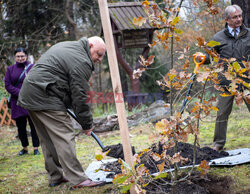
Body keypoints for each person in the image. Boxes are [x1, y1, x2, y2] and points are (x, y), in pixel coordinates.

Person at [17, 36, 106, 188]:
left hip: (30, 94)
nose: (99, 59)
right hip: (44, 95)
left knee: (47, 139)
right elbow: (80, 95)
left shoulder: (68, 46)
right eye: (98, 54)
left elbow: (68, 86)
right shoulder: (82, 60)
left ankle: (55, 176)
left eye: (102, 56)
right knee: (64, 135)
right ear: (90, 46)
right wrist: (87, 124)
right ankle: (78, 179)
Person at [196, 5, 250, 151]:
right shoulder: (218, 37)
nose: (239, 19)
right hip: (226, 82)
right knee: (222, 112)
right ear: (227, 19)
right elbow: (210, 57)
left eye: (240, 16)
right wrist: (202, 58)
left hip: (247, 81)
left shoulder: (249, 34)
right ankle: (218, 144)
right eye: (235, 17)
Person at [4, 48, 40, 156]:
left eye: (22, 56)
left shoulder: (32, 68)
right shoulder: (10, 69)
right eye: (18, 56)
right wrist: (20, 93)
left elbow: (36, 82)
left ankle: (36, 148)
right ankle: (24, 148)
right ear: (15, 57)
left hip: (30, 101)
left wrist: (27, 93)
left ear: (26, 56)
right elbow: (7, 85)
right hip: (17, 102)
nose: (20, 58)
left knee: (34, 126)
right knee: (21, 127)